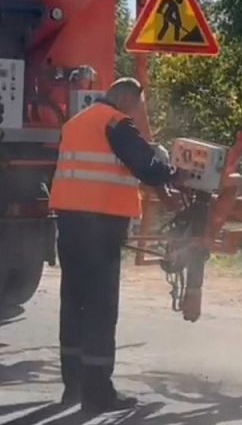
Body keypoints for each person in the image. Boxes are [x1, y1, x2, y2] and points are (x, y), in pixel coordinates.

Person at [49, 77, 175, 412]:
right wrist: (175, 172)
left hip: (70, 225)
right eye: (137, 106)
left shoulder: (75, 123)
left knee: (73, 305)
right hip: (100, 229)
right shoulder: (116, 123)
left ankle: (73, 388)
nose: (136, 113)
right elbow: (147, 167)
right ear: (126, 98)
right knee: (101, 311)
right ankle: (98, 394)